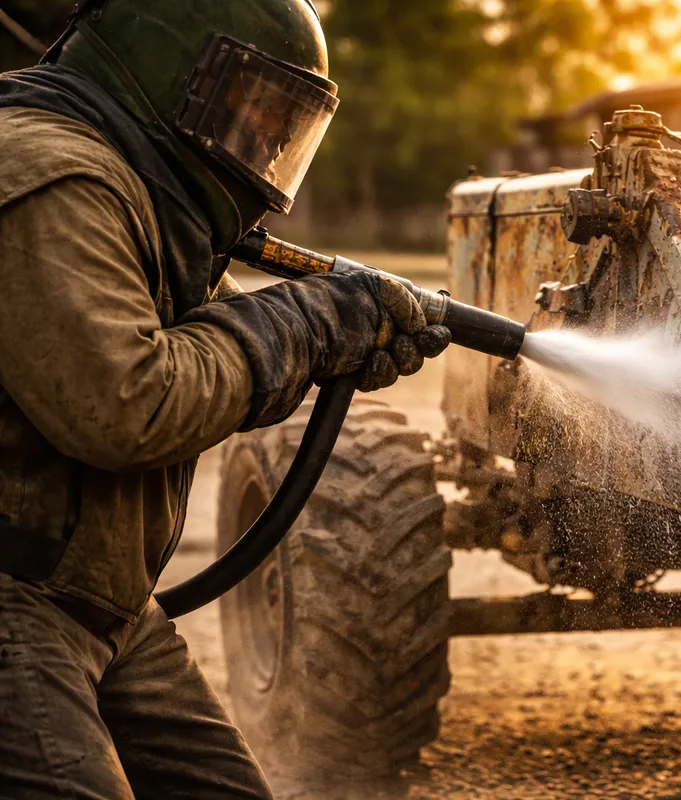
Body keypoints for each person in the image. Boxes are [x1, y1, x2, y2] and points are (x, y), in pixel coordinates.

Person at [0, 1, 450, 796]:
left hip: (94, 602)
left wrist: (342, 339)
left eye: (286, 124)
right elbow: (127, 404)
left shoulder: (135, 185)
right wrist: (307, 325)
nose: (269, 146)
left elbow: (218, 339)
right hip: (19, 597)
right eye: (255, 110)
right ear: (173, 75)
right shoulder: (50, 175)